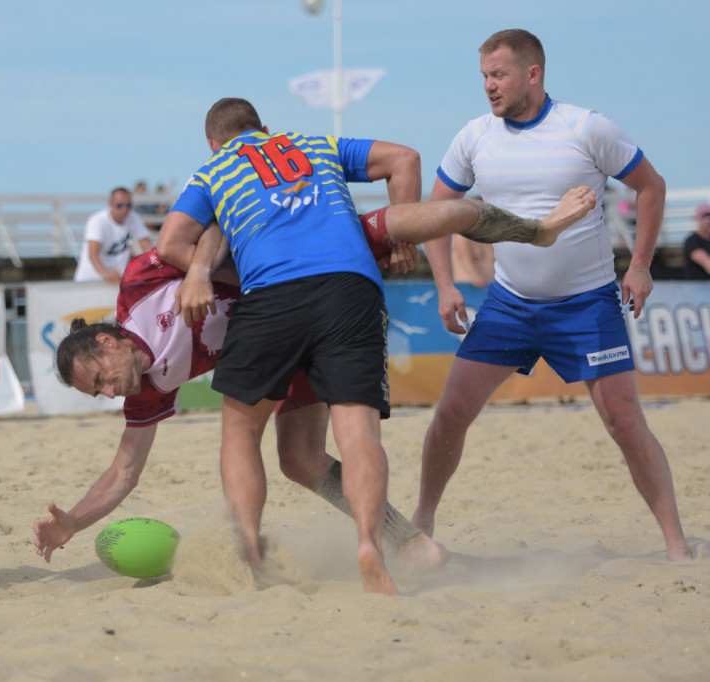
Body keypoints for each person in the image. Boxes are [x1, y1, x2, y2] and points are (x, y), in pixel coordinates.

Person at [33, 178, 592, 575]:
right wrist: (72, 524)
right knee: (299, 458)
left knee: (402, 225)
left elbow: (212, 224)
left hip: (294, 259)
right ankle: (407, 542)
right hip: (280, 340)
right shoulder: (146, 389)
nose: (109, 391)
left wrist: (202, 270)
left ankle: (533, 227)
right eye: (97, 392)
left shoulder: (137, 283)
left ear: (106, 340)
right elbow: (123, 472)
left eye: (100, 376)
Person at [153, 98, 593, 593]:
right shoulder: (312, 143)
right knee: (350, 437)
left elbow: (171, 243)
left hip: (271, 295)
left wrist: (220, 270)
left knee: (240, 432)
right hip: (349, 286)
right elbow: (405, 159)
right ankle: (373, 544)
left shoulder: (213, 170)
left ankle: (249, 555)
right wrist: (404, 241)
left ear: (213, 144)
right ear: (266, 129)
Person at [413, 29, 692, 562]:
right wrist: (445, 285)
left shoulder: (586, 128)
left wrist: (639, 266)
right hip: (509, 303)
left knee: (625, 421)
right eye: (484, 78)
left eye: (498, 75)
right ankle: (422, 525)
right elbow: (435, 213)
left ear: (532, 75)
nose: (489, 87)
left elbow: (650, 187)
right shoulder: (474, 137)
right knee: (451, 413)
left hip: (586, 305)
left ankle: (676, 546)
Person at [73, 187, 154, 283]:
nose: (124, 209)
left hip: (117, 280)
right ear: (110, 205)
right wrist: (105, 273)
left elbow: (146, 246)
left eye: (128, 205)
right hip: (90, 280)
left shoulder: (133, 218)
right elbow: (93, 253)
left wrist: (155, 266)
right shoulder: (97, 221)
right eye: (119, 205)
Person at [683, 203, 710, 279]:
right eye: (706, 217)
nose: (708, 221)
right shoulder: (692, 241)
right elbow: (707, 264)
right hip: (698, 288)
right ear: (697, 219)